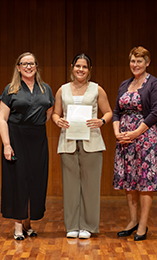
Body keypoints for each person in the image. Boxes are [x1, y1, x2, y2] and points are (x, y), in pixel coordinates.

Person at [52, 53, 113, 239]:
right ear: (72, 67)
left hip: (92, 142)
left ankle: (87, 226)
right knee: (70, 186)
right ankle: (72, 226)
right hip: (68, 141)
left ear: (89, 70)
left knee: (90, 186)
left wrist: (101, 121)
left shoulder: (97, 90)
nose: (81, 70)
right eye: (78, 66)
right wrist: (58, 121)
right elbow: (55, 113)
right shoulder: (62, 90)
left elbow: (109, 112)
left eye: (84, 67)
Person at [113, 46, 157, 241]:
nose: (135, 65)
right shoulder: (124, 85)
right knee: (130, 180)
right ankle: (132, 220)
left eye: (139, 61)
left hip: (145, 138)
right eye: (133, 61)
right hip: (126, 139)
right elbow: (116, 112)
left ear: (147, 62)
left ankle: (143, 225)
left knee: (145, 181)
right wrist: (117, 133)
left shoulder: (154, 83)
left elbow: (155, 112)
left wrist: (135, 133)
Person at [0, 52, 54, 240]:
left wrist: (35, 124)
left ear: (37, 66)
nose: (28, 67)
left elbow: (49, 112)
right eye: (24, 63)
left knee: (36, 180)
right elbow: (2, 119)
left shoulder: (46, 89)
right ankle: (18, 227)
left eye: (32, 63)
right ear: (18, 67)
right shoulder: (10, 89)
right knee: (18, 181)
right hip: (16, 137)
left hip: (38, 138)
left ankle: (28, 223)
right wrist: (7, 144)